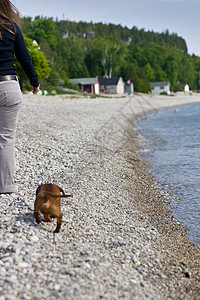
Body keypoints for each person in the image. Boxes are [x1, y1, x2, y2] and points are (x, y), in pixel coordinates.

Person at [0, 0, 40, 194]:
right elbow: (24, 57)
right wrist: (35, 81)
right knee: (6, 138)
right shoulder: (12, 28)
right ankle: (6, 186)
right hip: (9, 87)